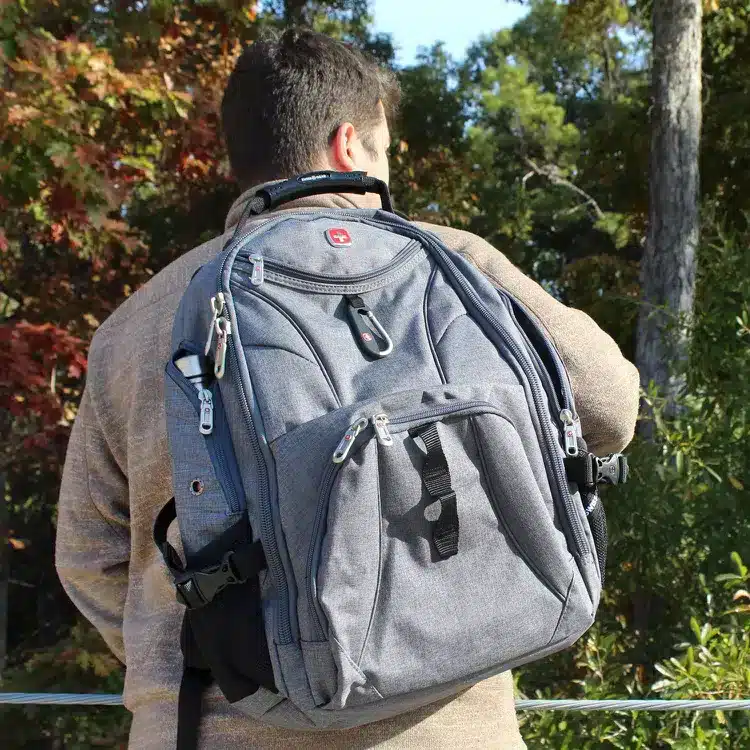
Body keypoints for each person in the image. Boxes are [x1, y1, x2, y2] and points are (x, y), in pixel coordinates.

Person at [56, 28, 640, 750]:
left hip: (204, 725)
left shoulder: (137, 322)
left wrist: (242, 641)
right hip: (445, 723)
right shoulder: (451, 264)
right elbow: (611, 406)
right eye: (385, 148)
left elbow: (88, 556)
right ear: (348, 146)